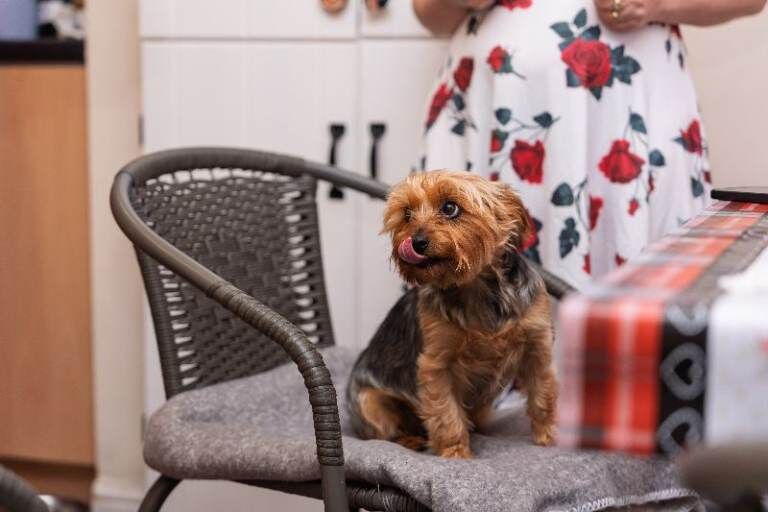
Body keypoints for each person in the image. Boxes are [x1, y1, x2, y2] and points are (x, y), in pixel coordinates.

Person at [414, 0, 765, 287]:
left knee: (640, 282)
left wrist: (656, 4)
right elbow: (428, 13)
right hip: (494, 110)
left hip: (624, 120)